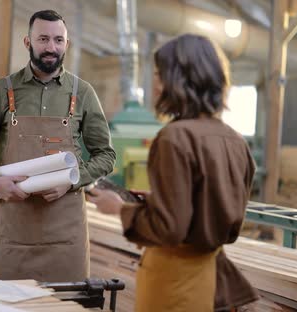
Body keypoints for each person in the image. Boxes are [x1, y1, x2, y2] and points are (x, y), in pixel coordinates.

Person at [87, 34, 258, 311]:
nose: (155, 86)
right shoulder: (235, 140)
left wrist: (119, 209)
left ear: (177, 80)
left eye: (159, 75)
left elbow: (170, 228)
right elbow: (209, 212)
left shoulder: (174, 137)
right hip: (210, 281)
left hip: (174, 284)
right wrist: (159, 200)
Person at [0, 10, 115, 282]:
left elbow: (106, 155)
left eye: (58, 40)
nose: (51, 47)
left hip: (67, 235)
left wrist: (73, 181)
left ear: (67, 44)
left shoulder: (83, 93)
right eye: (43, 39)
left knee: (68, 305)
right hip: (17, 231)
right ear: (27, 42)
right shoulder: (2, 91)